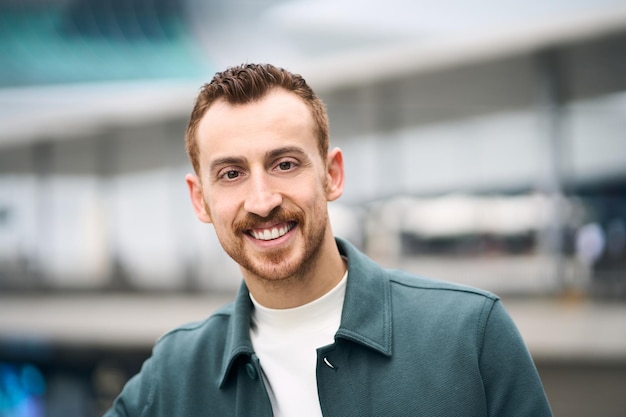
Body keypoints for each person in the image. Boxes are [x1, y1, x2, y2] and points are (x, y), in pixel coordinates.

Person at [104, 63, 552, 417]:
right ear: (200, 200)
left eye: (284, 164)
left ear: (332, 174)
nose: (261, 201)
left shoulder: (469, 333)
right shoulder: (175, 371)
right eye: (231, 174)